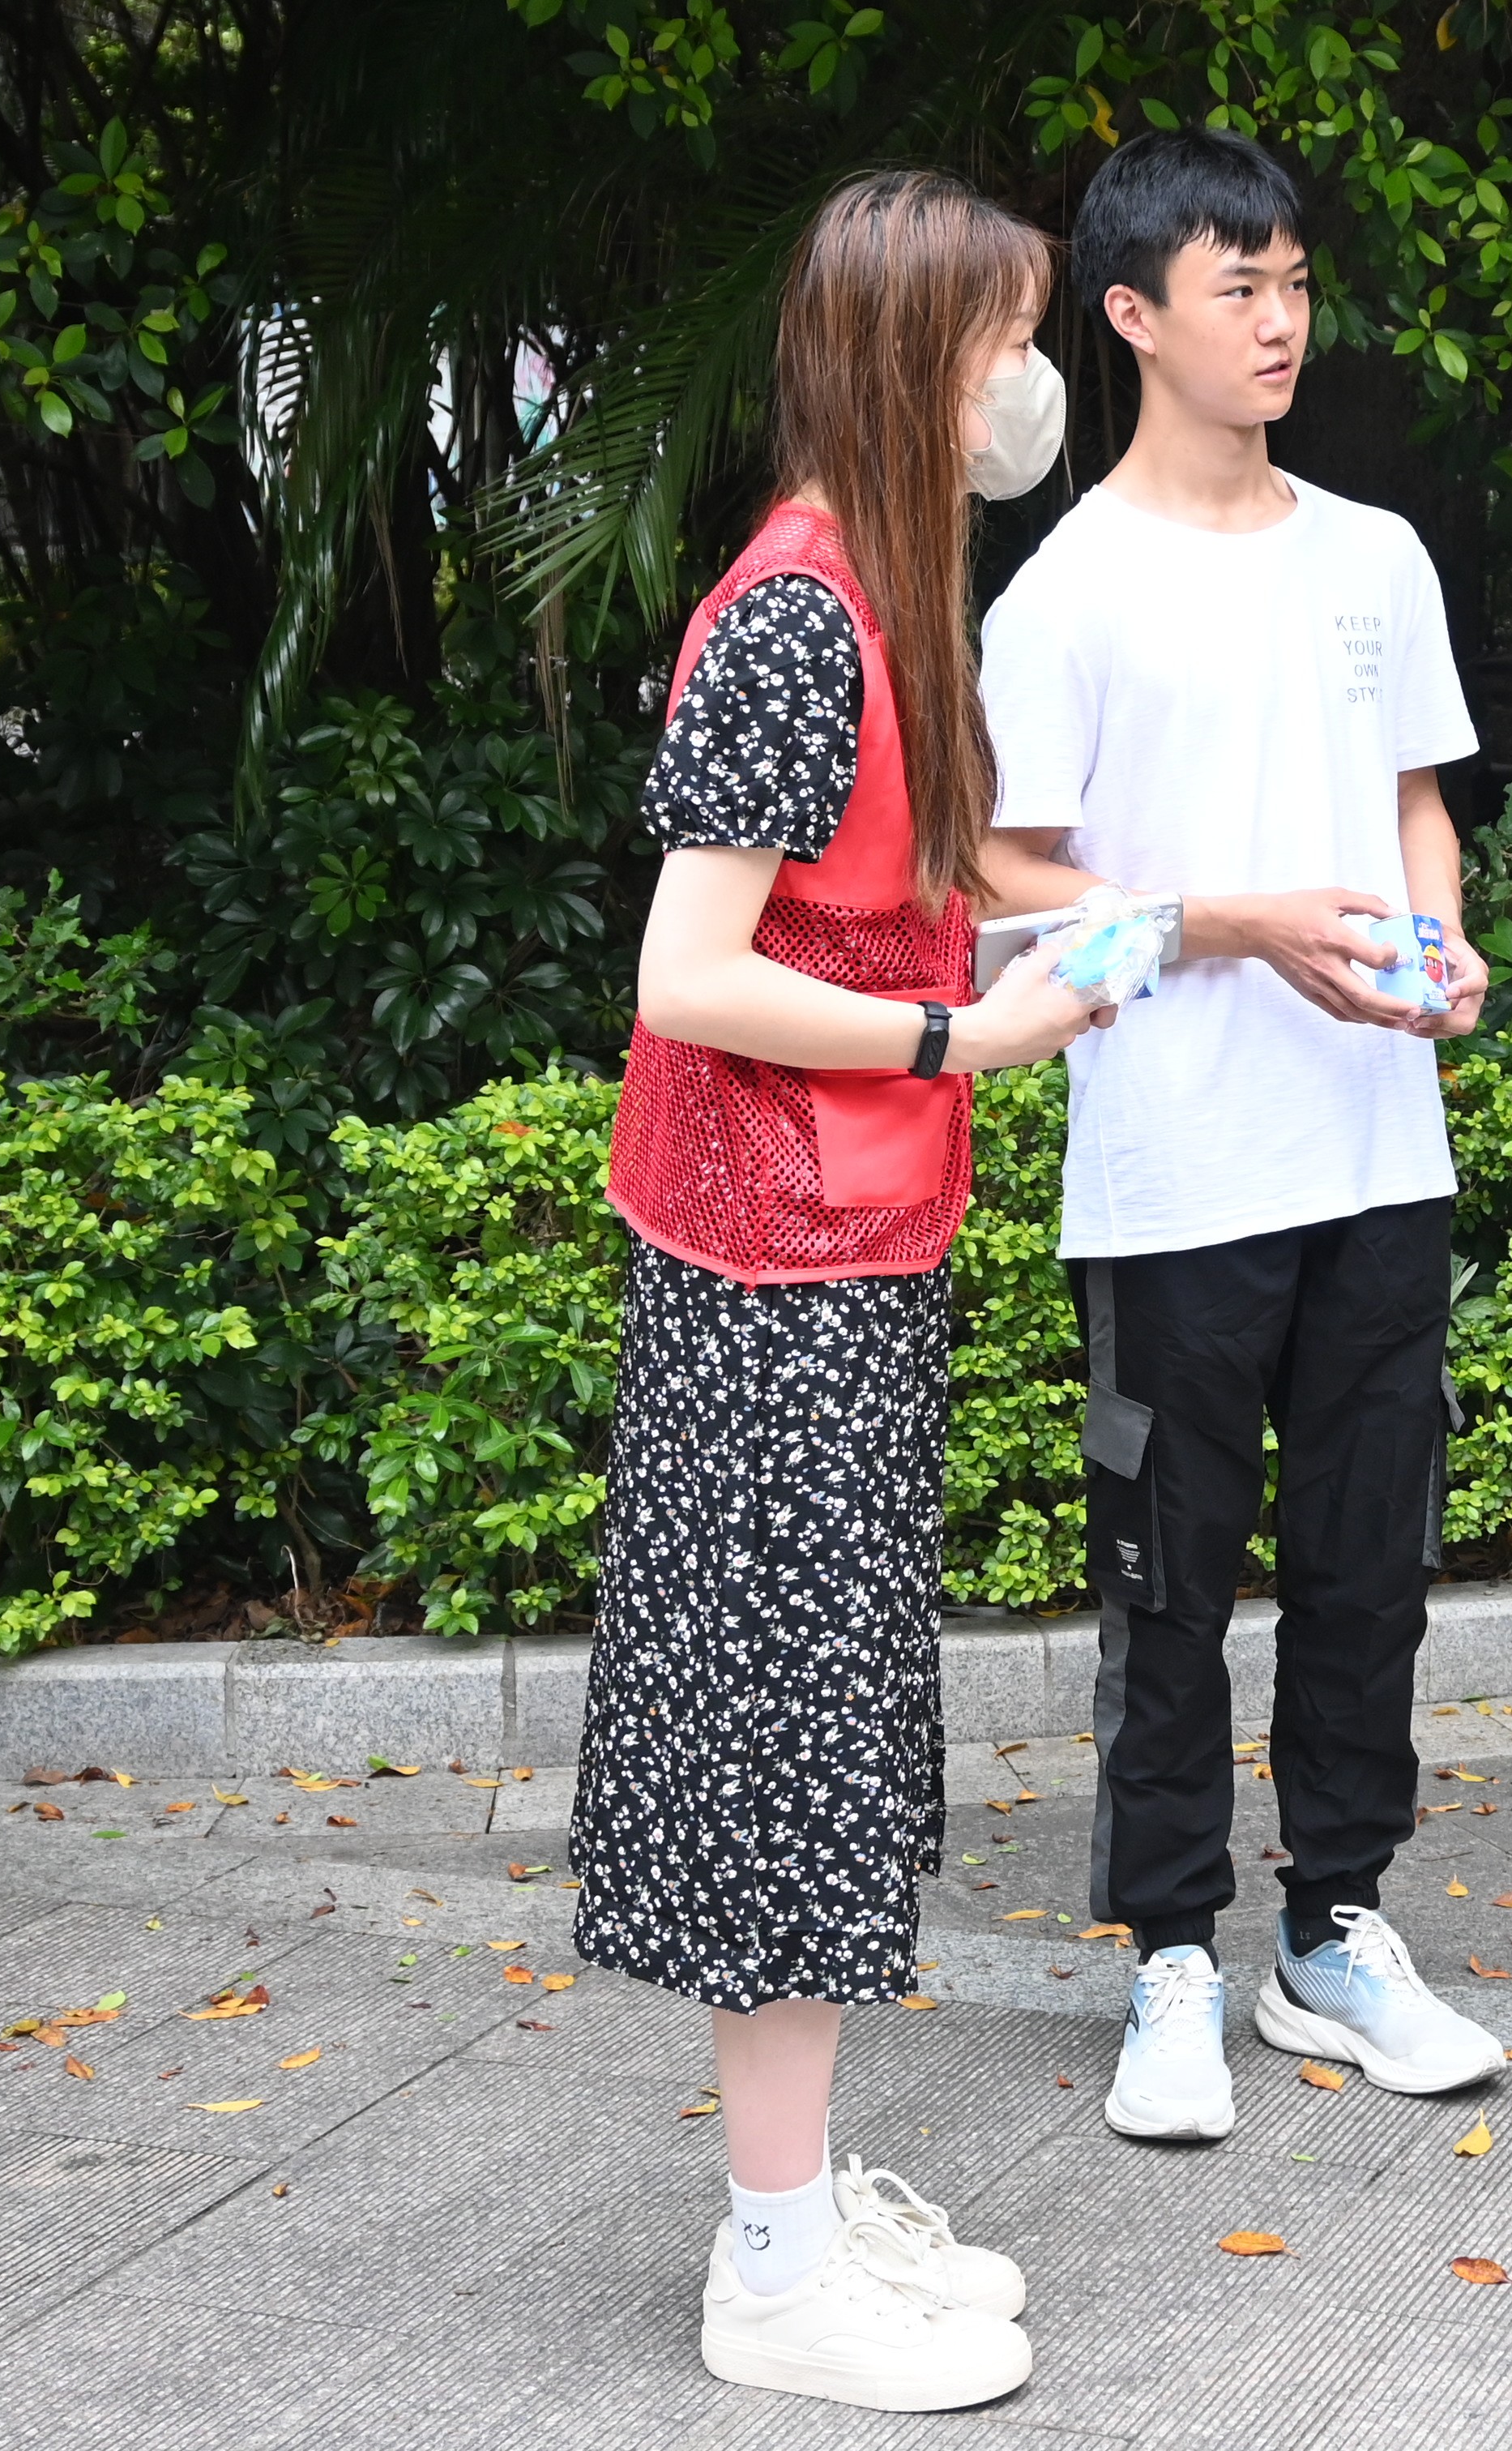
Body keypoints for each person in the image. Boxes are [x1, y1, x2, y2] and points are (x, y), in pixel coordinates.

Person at [579, 170, 1115, 2414]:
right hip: (770, 1276)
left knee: (828, 1743)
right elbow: (688, 970)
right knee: (787, 1757)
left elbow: (911, 870)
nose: (1029, 382)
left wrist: (1131, 923)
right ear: (917, 363)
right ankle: (775, 2271)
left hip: (837, 1254)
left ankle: (792, 2206)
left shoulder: (880, 593)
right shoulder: (801, 615)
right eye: (1005, 338)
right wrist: (959, 1035)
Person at [973, 123, 1512, 2144]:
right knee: (1170, 1581)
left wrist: (1439, 946)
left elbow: (1417, 803)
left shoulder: (1374, 555)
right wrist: (1237, 922)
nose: (1283, 322)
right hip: (1176, 1169)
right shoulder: (1068, 591)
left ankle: (1336, 1929)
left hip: (1377, 1147)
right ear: (1132, 314)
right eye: (1239, 289)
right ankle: (1172, 1954)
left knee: (1369, 1566)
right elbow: (1009, 873)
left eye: (1294, 283)